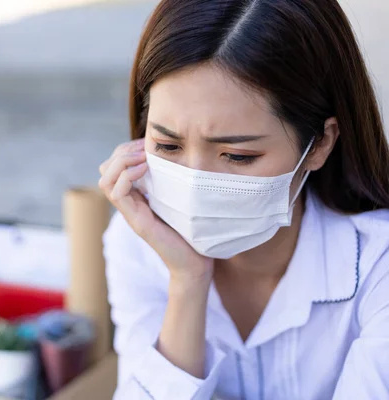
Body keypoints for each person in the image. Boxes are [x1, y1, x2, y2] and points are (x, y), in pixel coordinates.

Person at [98, 0, 389, 399]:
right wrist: (188, 282)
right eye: (167, 145)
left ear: (320, 143)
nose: (196, 183)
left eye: (238, 156)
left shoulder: (379, 267)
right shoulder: (135, 241)